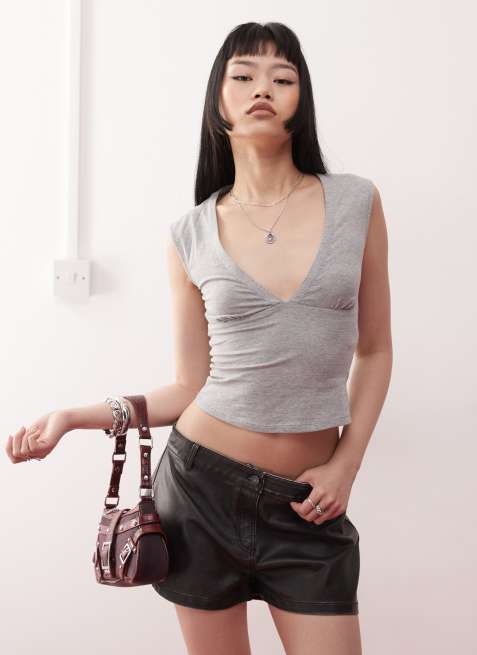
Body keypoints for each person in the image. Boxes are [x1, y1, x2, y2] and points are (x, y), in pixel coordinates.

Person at [6, 21, 392, 655]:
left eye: (282, 77)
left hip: (310, 504)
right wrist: (72, 417)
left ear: (302, 98)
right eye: (243, 75)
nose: (262, 88)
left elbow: (374, 350)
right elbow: (191, 386)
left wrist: (346, 465)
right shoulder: (189, 233)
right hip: (199, 492)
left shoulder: (357, 202)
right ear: (219, 100)